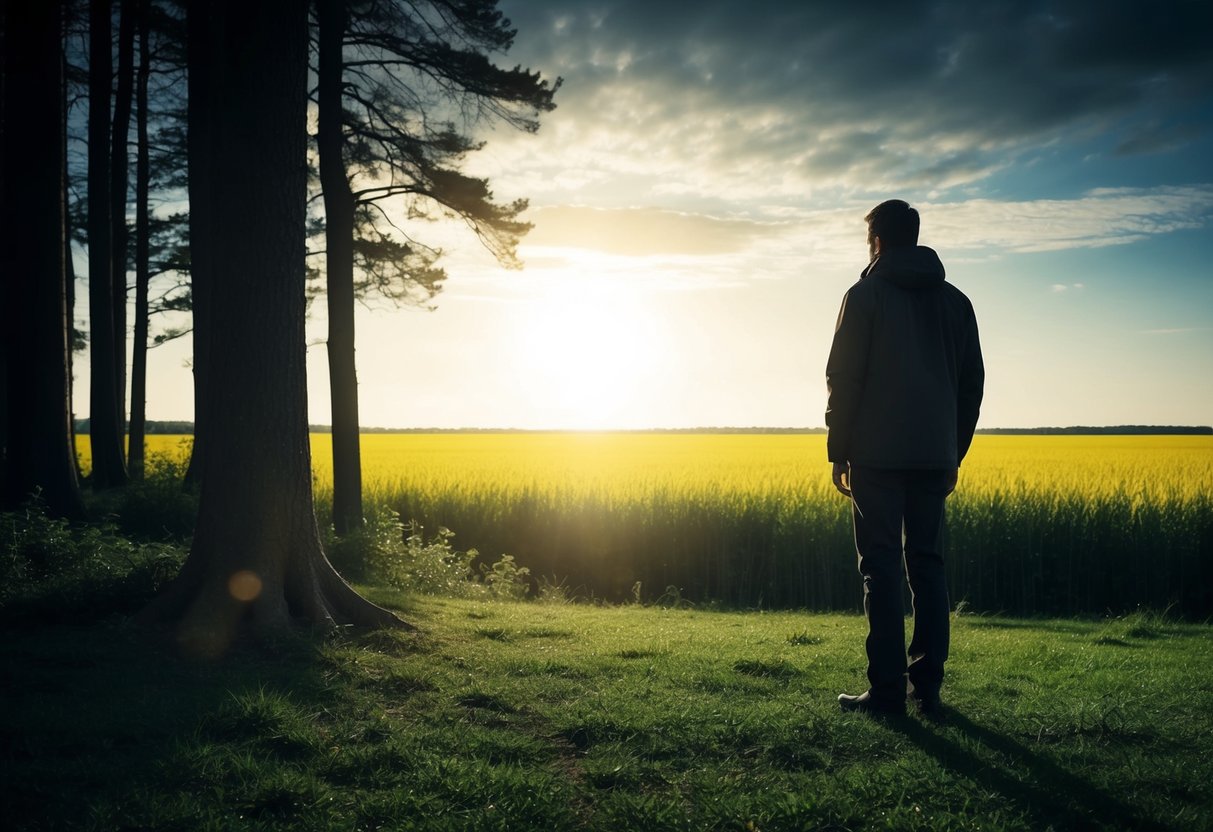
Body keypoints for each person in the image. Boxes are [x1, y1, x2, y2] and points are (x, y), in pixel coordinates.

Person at [825, 199, 984, 716]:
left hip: (875, 456)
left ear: (877, 241)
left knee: (882, 571)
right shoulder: (957, 302)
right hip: (933, 458)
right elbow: (971, 387)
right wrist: (951, 451)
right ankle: (928, 691)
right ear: (914, 237)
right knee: (929, 567)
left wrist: (839, 450)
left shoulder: (864, 295)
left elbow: (843, 379)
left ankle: (888, 693)